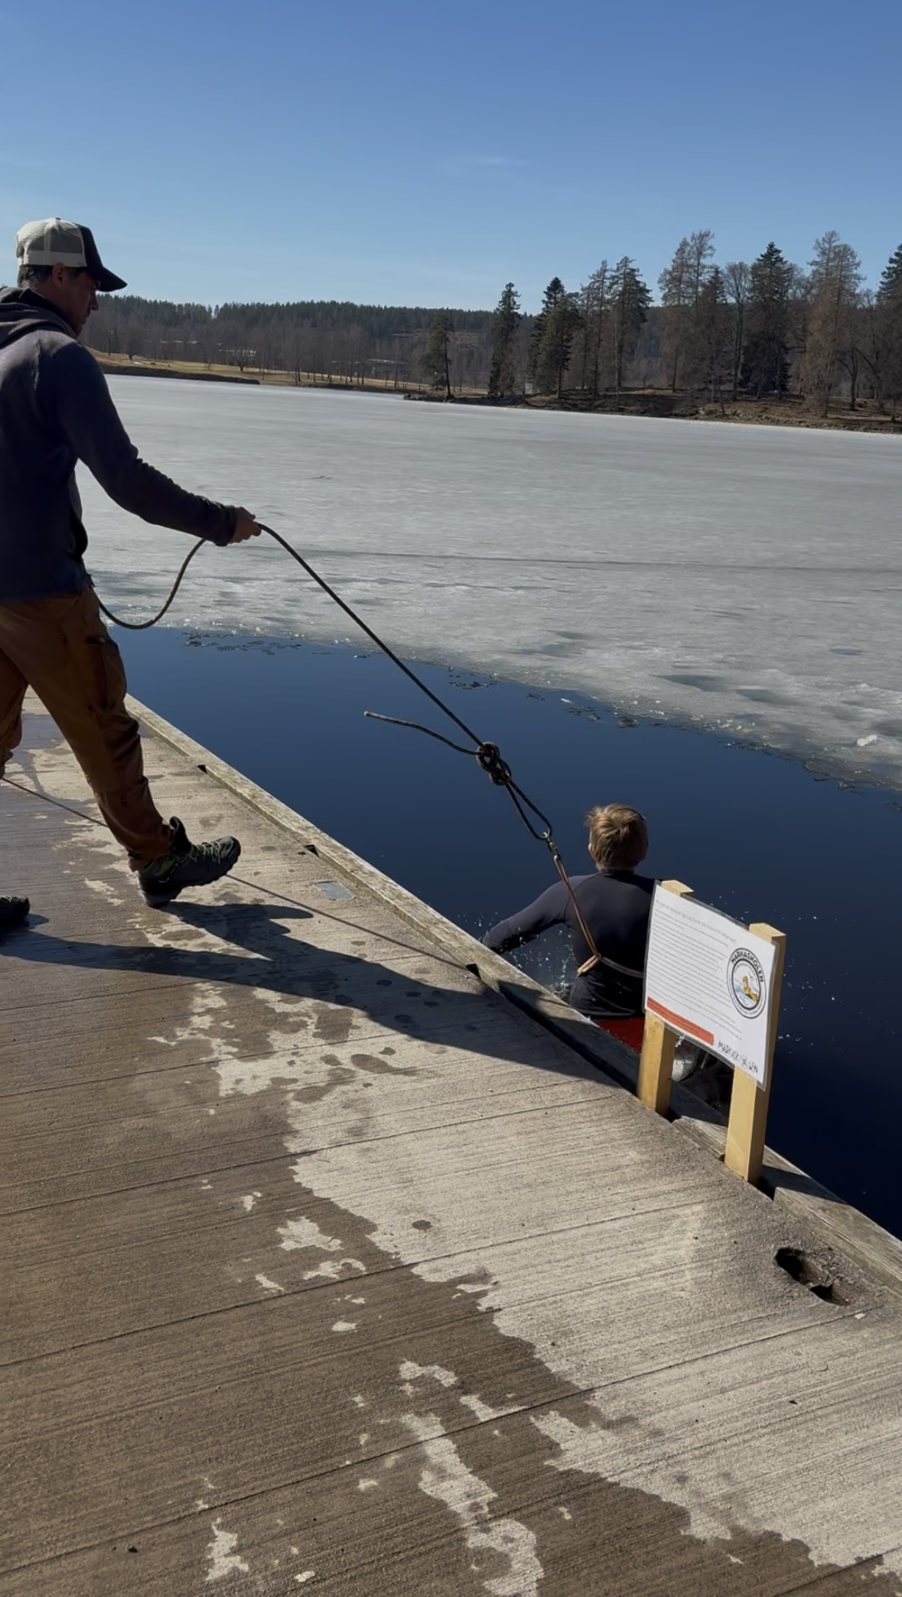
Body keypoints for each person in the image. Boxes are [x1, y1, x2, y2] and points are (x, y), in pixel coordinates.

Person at [0, 217, 261, 927]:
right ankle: (157, 859)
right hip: (42, 592)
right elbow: (127, 480)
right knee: (103, 723)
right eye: (92, 283)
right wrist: (220, 521)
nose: (96, 300)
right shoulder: (57, 357)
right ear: (59, 275)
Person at [482, 802, 654, 1046]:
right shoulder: (666, 897)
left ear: (592, 850)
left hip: (590, 1017)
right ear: (644, 851)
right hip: (648, 1021)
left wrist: (474, 953)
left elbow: (504, 935)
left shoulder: (571, 891)